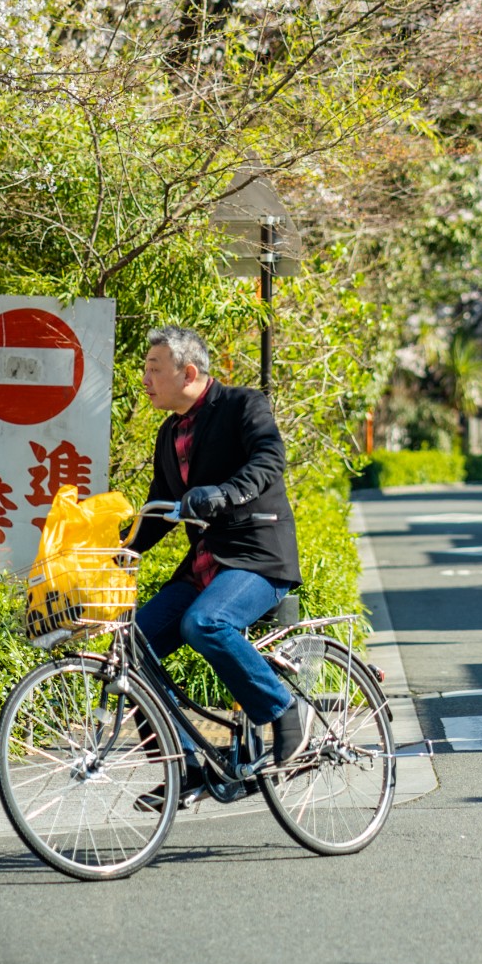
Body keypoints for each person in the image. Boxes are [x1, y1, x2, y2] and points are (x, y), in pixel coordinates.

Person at [128, 325, 307, 800]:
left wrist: (225, 494)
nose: (144, 379)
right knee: (132, 648)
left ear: (188, 372)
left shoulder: (243, 405)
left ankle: (281, 707)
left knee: (203, 623)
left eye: (153, 369)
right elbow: (158, 510)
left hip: (258, 557)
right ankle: (186, 764)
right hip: (205, 564)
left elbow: (270, 458)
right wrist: (114, 548)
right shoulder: (169, 434)